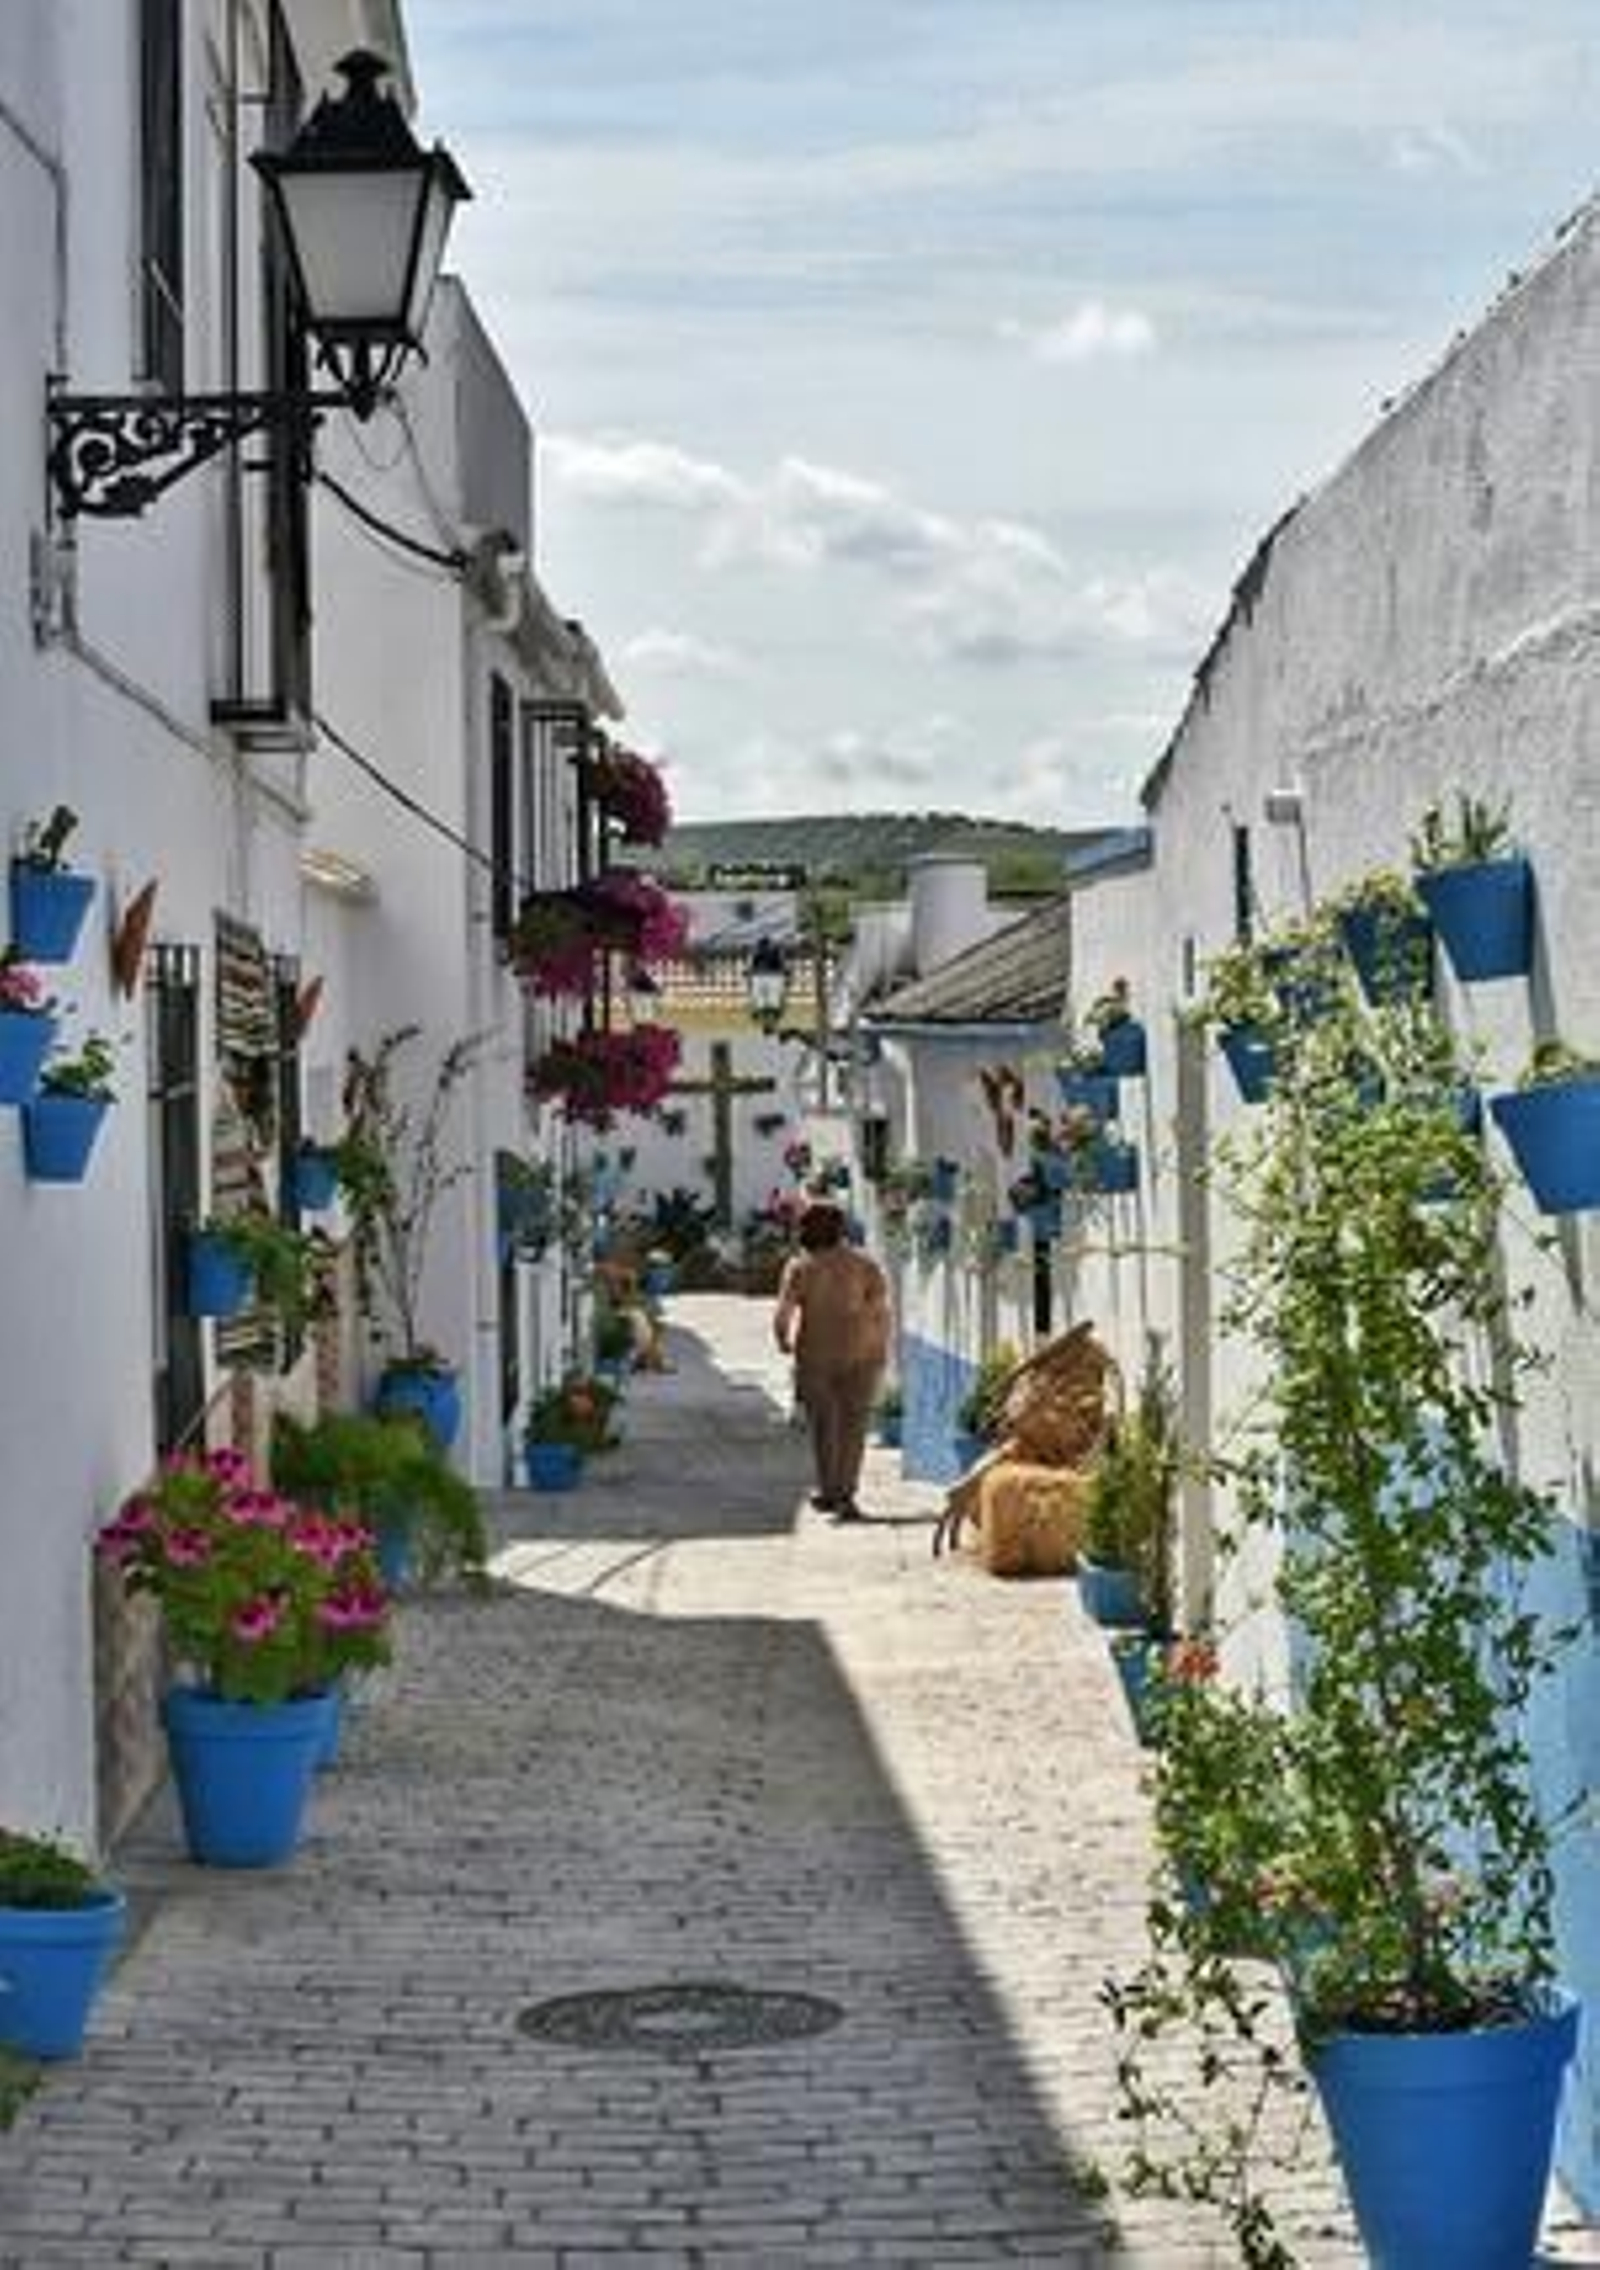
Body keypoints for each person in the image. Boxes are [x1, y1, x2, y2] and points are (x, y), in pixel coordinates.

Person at [773, 1198, 891, 1522]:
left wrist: (782, 1338)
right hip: (861, 1353)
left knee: (824, 1426)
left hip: (816, 1355)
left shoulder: (800, 1267)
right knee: (854, 1426)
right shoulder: (865, 1265)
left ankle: (829, 1490)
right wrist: (881, 1348)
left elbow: (784, 1311)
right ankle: (846, 1493)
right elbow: (880, 1311)